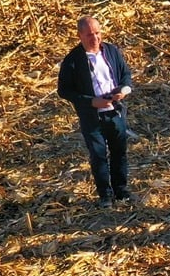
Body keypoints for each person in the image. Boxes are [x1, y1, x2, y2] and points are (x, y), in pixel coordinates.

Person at [55, 15, 134, 205]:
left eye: (98, 33)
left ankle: (121, 191)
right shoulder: (72, 61)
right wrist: (91, 102)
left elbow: (126, 75)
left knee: (119, 152)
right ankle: (105, 196)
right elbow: (64, 90)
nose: (95, 38)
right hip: (92, 117)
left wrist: (123, 90)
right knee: (98, 155)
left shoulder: (112, 51)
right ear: (80, 35)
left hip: (115, 112)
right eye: (90, 35)